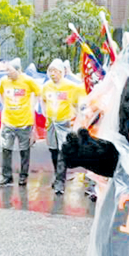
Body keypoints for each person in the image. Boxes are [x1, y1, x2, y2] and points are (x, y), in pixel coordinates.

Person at [40, 59, 85, 195]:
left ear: (61, 72)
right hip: (51, 123)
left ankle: (60, 182)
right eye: (50, 71)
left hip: (64, 123)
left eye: (55, 71)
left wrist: (76, 118)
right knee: (53, 150)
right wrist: (44, 112)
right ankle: (58, 175)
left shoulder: (71, 87)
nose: (52, 74)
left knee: (62, 151)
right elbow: (43, 99)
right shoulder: (46, 86)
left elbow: (80, 103)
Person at [0, 59, 41, 186]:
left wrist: (32, 105)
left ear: (18, 70)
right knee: (6, 149)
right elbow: (1, 94)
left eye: (9, 70)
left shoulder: (28, 81)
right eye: (6, 70)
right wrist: (5, 106)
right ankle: (6, 176)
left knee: (24, 150)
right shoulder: (4, 81)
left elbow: (38, 92)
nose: (7, 73)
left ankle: (23, 176)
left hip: (24, 122)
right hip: (9, 121)